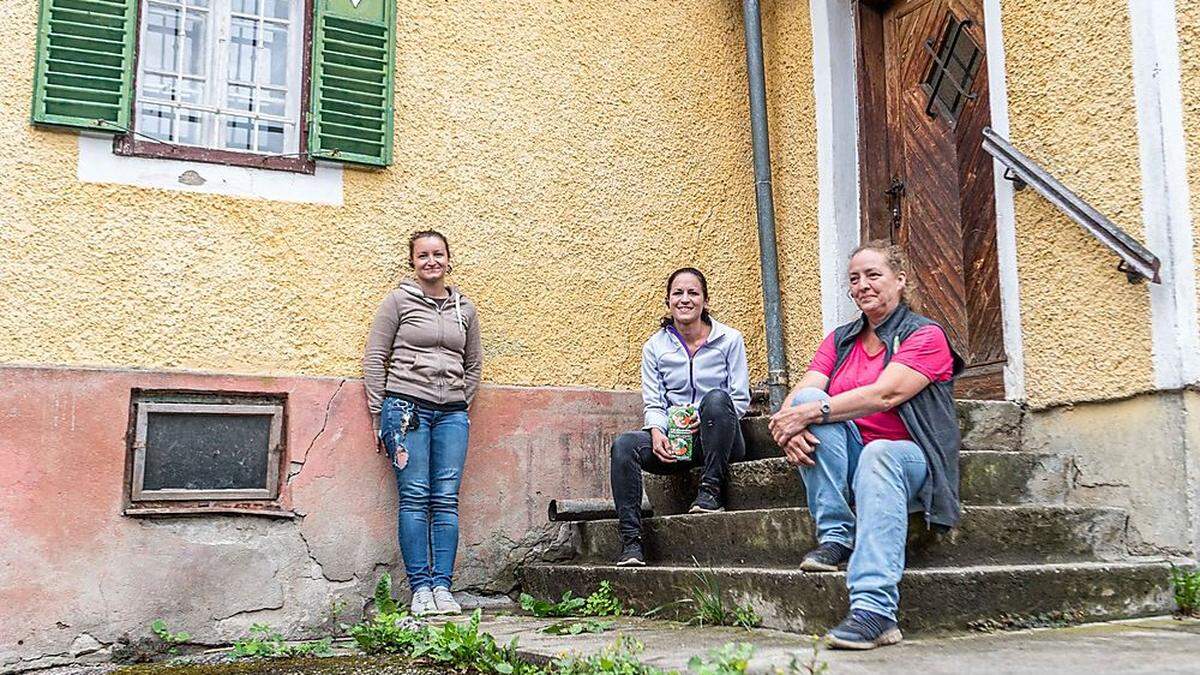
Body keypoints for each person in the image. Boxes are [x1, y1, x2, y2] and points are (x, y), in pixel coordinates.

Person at [769, 241, 963, 650]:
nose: (862, 285)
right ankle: (837, 535)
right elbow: (804, 391)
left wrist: (806, 415)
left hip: (909, 459)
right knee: (806, 404)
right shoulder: (842, 340)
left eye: (873, 275)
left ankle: (875, 612)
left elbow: (886, 395)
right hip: (854, 455)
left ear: (900, 280)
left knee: (872, 449)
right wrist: (789, 424)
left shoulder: (925, 335)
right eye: (854, 278)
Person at [362, 230, 482, 617]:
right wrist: (379, 414)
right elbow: (375, 357)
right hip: (405, 410)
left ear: (449, 259)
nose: (431, 261)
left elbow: (474, 364)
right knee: (414, 498)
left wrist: (461, 399)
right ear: (412, 262)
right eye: (423, 255)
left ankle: (443, 588)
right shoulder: (398, 301)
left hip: (451, 415)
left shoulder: (465, 309)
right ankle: (420, 590)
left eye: (438, 254)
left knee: (446, 500)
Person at [609, 267, 751, 566]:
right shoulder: (654, 347)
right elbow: (654, 402)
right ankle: (631, 543)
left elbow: (739, 398)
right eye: (678, 293)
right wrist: (658, 432)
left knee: (716, 399)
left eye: (693, 293)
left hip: (722, 440)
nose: (685, 299)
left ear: (705, 301)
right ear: (668, 301)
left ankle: (710, 493)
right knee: (624, 445)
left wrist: (710, 418)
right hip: (678, 444)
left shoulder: (730, 340)